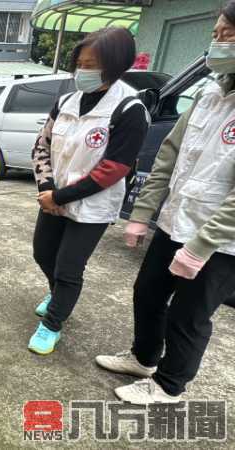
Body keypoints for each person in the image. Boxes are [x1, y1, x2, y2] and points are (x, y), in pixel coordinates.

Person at [95, 4, 235, 405]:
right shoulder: (210, 95)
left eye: (227, 35)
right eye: (216, 33)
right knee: (148, 292)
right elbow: (169, 155)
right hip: (177, 221)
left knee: (189, 314)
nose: (217, 42)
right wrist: (142, 215)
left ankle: (170, 385)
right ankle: (143, 358)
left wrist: (202, 245)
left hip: (222, 241)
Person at [28, 28, 150, 355]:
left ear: (116, 64)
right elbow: (42, 145)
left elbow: (114, 168)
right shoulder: (66, 101)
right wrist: (47, 188)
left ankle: (53, 324)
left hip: (92, 207)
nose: (83, 70)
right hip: (52, 198)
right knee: (43, 253)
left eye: (92, 64)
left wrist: (61, 197)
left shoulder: (129, 109)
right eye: (80, 63)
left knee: (69, 266)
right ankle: (58, 295)